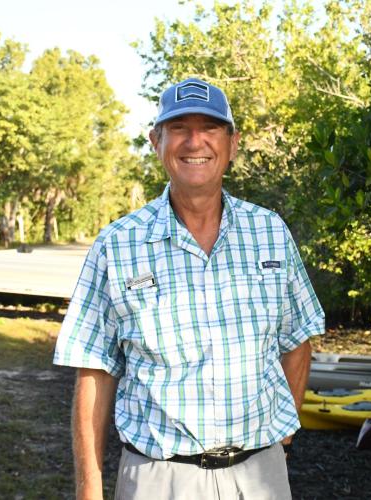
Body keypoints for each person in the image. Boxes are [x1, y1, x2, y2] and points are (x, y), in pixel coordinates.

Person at [54, 77, 325, 500]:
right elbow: (94, 369)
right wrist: (89, 490)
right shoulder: (118, 245)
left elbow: (298, 338)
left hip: (260, 477)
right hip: (158, 480)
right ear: (155, 141)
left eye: (210, 128)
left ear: (232, 143)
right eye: (179, 128)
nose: (195, 141)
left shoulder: (270, 232)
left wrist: (281, 444)